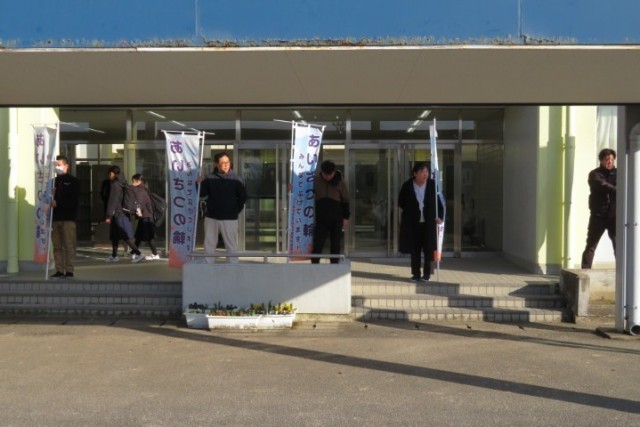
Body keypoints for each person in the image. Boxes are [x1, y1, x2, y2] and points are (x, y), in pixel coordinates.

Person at [197, 152, 247, 263]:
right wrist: (199, 183)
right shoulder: (209, 178)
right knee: (209, 244)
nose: (226, 165)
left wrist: (234, 210)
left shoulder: (236, 179)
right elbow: (201, 194)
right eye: (222, 163)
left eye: (227, 162)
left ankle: (233, 268)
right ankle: (208, 266)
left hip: (229, 218)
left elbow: (243, 197)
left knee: (231, 245)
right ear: (216, 164)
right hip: (211, 217)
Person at [398, 162, 444, 282]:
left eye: (426, 172)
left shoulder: (432, 185)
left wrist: (440, 217)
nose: (425, 174)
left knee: (428, 249)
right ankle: (416, 274)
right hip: (413, 224)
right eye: (422, 172)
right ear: (415, 173)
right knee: (415, 250)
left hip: (429, 223)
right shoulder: (407, 186)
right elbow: (401, 202)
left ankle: (427, 274)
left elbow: (440, 202)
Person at [581, 148, 617, 269]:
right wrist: (617, 189)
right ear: (601, 160)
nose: (609, 162)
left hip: (614, 215)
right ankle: (585, 272)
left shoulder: (619, 173)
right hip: (598, 215)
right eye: (607, 159)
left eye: (611, 159)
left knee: (619, 245)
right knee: (591, 244)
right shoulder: (594, 174)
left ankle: (622, 272)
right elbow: (603, 186)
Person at [311, 160, 350, 264]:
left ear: (334, 172)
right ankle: (314, 265)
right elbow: (305, 192)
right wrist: (292, 188)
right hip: (321, 218)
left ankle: (334, 264)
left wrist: (346, 217)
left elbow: (345, 200)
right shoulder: (316, 180)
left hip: (336, 217)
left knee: (335, 243)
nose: (328, 177)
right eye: (326, 174)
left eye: (330, 174)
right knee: (318, 243)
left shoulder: (340, 181)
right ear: (322, 172)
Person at [104, 165, 145, 263]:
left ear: (112, 173)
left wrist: (108, 215)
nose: (109, 176)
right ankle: (114, 255)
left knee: (124, 235)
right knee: (115, 235)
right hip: (122, 213)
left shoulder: (115, 185)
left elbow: (113, 200)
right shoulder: (123, 182)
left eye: (109, 174)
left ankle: (139, 254)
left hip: (119, 213)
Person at [50, 155, 80, 279]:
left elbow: (74, 200)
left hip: (68, 218)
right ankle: (59, 270)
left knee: (68, 245)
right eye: (56, 165)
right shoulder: (53, 181)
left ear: (66, 166)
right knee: (57, 246)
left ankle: (69, 270)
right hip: (55, 218)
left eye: (59, 165)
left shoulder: (73, 181)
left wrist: (58, 203)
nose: (57, 167)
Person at [130, 174, 161, 260]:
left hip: (146, 216)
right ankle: (134, 252)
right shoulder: (144, 189)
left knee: (149, 237)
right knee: (139, 236)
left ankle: (155, 254)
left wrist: (137, 211)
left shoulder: (140, 190)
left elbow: (140, 203)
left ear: (138, 181)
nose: (132, 183)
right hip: (146, 216)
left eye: (133, 181)